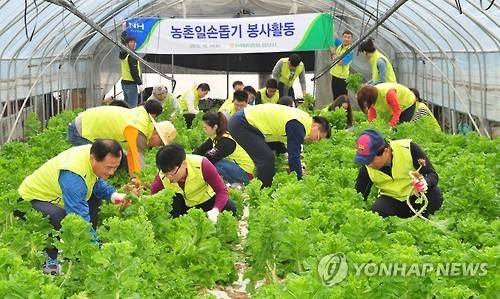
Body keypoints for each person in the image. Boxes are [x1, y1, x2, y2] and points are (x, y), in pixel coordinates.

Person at [17, 139, 130, 275]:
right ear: (93, 158)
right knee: (60, 218)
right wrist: (100, 253)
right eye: (108, 167)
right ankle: (50, 263)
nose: (112, 172)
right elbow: (78, 218)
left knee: (93, 199)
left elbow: (95, 182)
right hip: (29, 201)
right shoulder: (73, 175)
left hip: (55, 199)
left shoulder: (93, 152)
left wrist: (113, 195)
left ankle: (82, 248)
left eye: (115, 167)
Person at [228, 104, 331, 187]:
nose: (315, 141)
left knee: (267, 155)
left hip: (245, 122)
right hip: (242, 123)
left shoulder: (302, 120)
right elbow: (294, 157)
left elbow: (277, 137)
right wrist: (300, 182)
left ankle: (261, 188)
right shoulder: (299, 126)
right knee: (266, 158)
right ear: (316, 126)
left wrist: (283, 151)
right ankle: (263, 193)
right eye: (318, 137)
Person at [67, 99, 176, 176]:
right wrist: (140, 181)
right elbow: (137, 161)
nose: (158, 146)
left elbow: (130, 157)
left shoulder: (143, 121)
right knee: (95, 166)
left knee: (117, 159)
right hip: (82, 129)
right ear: (156, 133)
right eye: (161, 142)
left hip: (85, 123)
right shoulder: (140, 130)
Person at [354, 130, 442, 218]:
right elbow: (359, 196)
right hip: (392, 201)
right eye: (365, 160)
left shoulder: (408, 148)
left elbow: (432, 174)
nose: (368, 164)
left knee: (434, 194)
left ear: (386, 151)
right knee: (378, 211)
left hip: (417, 196)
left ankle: (426, 221)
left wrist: (425, 182)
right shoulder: (366, 168)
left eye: (371, 159)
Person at [150, 144, 237, 223]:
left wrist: (215, 210)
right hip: (184, 209)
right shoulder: (161, 178)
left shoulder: (202, 164)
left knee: (230, 209)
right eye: (166, 173)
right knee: (171, 198)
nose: (169, 177)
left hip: (206, 200)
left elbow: (221, 190)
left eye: (173, 172)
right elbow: (152, 201)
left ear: (184, 163)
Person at [193, 112, 254, 185]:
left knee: (215, 164)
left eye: (205, 128)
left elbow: (209, 158)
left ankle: (238, 184)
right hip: (235, 167)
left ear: (215, 127)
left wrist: (194, 169)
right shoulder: (216, 136)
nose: (204, 130)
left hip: (245, 172)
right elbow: (200, 150)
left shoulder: (226, 141)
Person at [330, 30, 354, 100]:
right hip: (334, 75)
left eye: (348, 37)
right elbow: (334, 35)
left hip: (342, 78)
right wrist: (330, 22)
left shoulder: (350, 51)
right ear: (342, 37)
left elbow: (341, 63)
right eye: (345, 37)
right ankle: (336, 110)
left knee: (343, 99)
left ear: (351, 39)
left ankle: (344, 111)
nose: (346, 39)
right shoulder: (340, 45)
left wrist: (333, 54)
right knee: (335, 97)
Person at [120, 36, 142, 107]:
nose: (134, 44)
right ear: (127, 44)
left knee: (126, 105)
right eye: (131, 42)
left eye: (134, 42)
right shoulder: (132, 55)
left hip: (124, 83)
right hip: (131, 84)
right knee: (132, 106)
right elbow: (134, 71)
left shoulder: (124, 53)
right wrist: (139, 83)